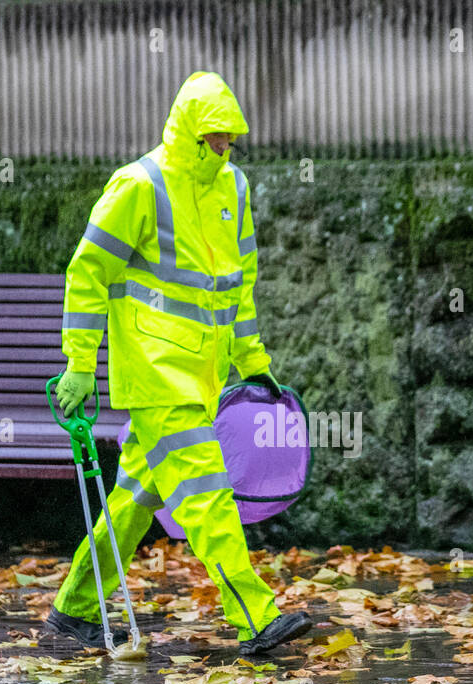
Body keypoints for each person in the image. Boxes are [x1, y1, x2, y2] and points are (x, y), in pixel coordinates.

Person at [44, 71, 313, 654]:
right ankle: (255, 616)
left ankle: (75, 609)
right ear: (188, 129)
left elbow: (237, 290)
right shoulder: (138, 186)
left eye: (229, 138)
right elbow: (87, 273)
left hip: (203, 376)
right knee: (208, 498)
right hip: (158, 375)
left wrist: (253, 362)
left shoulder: (233, 189)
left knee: (134, 502)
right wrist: (80, 365)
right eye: (212, 136)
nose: (222, 147)